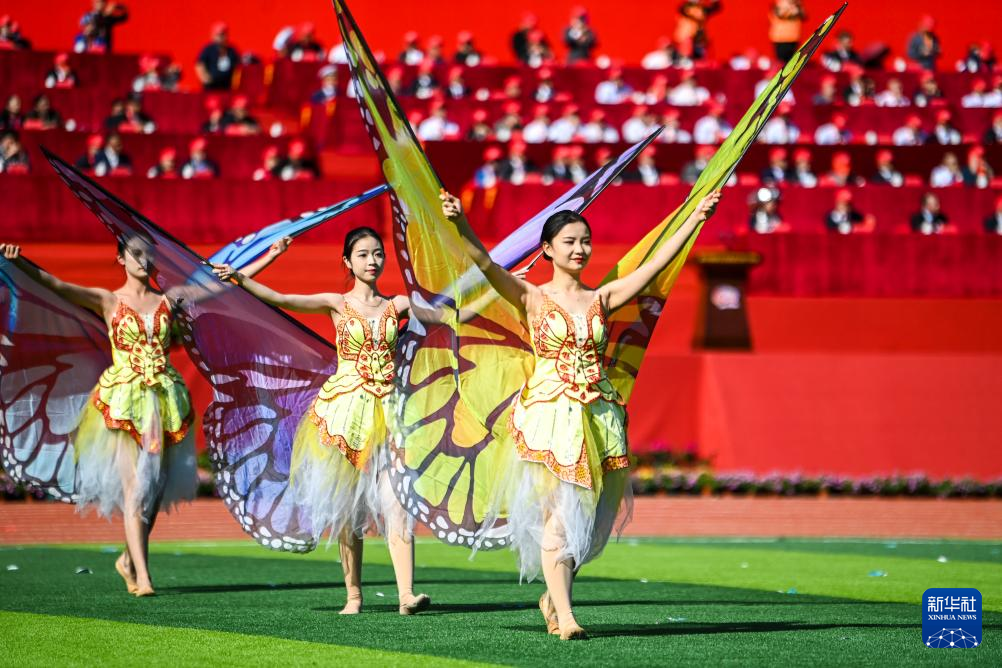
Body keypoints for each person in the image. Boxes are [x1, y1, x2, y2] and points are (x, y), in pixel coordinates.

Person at [441, 187, 721, 640]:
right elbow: (488, 266)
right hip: (551, 416)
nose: (580, 249)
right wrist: (460, 224)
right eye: (569, 241)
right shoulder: (531, 296)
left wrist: (697, 219)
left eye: (585, 240)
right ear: (547, 249)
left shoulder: (602, 298)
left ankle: (553, 597)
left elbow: (655, 268)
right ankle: (568, 618)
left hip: (599, 415)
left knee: (586, 527)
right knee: (560, 515)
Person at [210, 227, 435, 616]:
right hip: (344, 413)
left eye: (378, 254)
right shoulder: (336, 302)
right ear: (348, 262)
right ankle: (354, 596)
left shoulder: (397, 304)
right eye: (363, 255)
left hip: (389, 411)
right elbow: (280, 298)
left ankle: (406, 595)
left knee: (396, 503)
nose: (372, 261)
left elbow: (444, 311)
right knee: (349, 511)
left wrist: (489, 290)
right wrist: (241, 277)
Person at [0, 238, 197, 597]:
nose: (143, 260)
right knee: (136, 488)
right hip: (124, 401)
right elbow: (57, 285)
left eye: (148, 254)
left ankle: (126, 560)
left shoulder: (169, 299)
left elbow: (218, 289)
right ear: (120, 259)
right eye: (135, 253)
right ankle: (144, 578)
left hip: (164, 401)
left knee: (153, 489)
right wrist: (20, 262)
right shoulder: (108, 300)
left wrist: (257, 265)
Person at [196, 22, 240, 91]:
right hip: (211, 88)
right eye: (218, 35)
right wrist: (205, 79)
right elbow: (199, 64)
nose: (221, 38)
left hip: (227, 88)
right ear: (213, 36)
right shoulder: (208, 50)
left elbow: (238, 67)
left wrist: (236, 83)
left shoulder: (232, 51)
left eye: (223, 34)